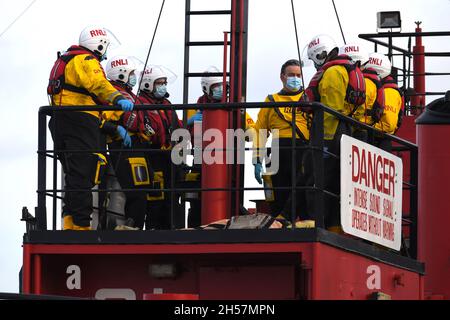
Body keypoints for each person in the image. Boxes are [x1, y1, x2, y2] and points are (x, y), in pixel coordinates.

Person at [47, 26, 134, 231]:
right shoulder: (86, 60)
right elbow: (99, 84)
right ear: (99, 44)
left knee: (74, 175)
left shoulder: (67, 59)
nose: (105, 51)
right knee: (84, 174)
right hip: (80, 121)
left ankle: (70, 223)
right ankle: (81, 226)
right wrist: (118, 98)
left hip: (60, 121)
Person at [305, 34, 366, 233]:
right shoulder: (347, 70)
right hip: (344, 131)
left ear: (319, 55)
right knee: (336, 183)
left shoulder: (332, 74)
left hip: (329, 134)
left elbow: (330, 110)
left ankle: (317, 222)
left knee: (318, 181)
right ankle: (333, 224)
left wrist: (323, 141)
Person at [185, 67, 256, 228]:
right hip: (200, 161)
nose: (221, 90)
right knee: (196, 203)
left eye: (223, 86)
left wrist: (244, 122)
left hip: (228, 162)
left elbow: (251, 132)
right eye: (216, 86)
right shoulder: (193, 109)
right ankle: (193, 230)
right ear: (206, 89)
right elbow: (178, 132)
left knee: (229, 199)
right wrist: (188, 122)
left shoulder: (234, 106)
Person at [252, 59, 314, 228]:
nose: (295, 78)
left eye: (298, 75)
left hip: (303, 150)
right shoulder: (272, 100)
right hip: (278, 151)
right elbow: (260, 130)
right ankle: (279, 224)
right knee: (278, 196)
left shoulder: (309, 99)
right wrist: (257, 159)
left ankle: (300, 224)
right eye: (291, 75)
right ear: (282, 77)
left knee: (304, 193)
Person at [102, 55, 157, 230]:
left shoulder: (129, 95)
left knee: (142, 191)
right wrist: (118, 129)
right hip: (125, 147)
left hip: (137, 146)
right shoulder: (113, 95)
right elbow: (105, 118)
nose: (134, 77)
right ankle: (133, 226)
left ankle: (135, 225)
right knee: (136, 192)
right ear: (121, 74)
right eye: (131, 73)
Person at [137, 65, 185, 230]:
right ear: (148, 84)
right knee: (156, 197)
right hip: (153, 156)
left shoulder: (167, 104)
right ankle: (153, 228)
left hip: (170, 158)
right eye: (160, 83)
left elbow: (178, 128)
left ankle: (170, 227)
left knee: (172, 197)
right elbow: (145, 131)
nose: (163, 86)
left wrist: (181, 142)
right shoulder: (140, 104)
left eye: (164, 82)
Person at [338, 44, 385, 142]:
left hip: (357, 130)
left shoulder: (363, 82)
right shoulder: (368, 81)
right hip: (363, 129)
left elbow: (360, 107)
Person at [365, 52, 404, 152]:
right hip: (373, 140)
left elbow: (388, 124)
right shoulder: (381, 89)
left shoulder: (389, 92)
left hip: (378, 143)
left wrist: (363, 125)